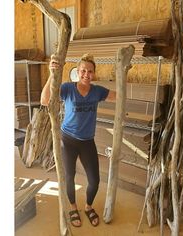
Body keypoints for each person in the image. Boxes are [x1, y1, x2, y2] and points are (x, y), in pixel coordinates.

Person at [41, 54, 116, 227]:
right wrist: (52, 74)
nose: (86, 74)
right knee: (69, 177)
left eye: (90, 71)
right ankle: (73, 207)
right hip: (68, 140)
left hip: (87, 141)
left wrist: (123, 74)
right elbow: (45, 100)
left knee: (94, 180)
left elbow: (118, 95)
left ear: (93, 73)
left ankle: (88, 206)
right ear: (77, 71)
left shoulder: (98, 91)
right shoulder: (68, 88)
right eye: (83, 70)